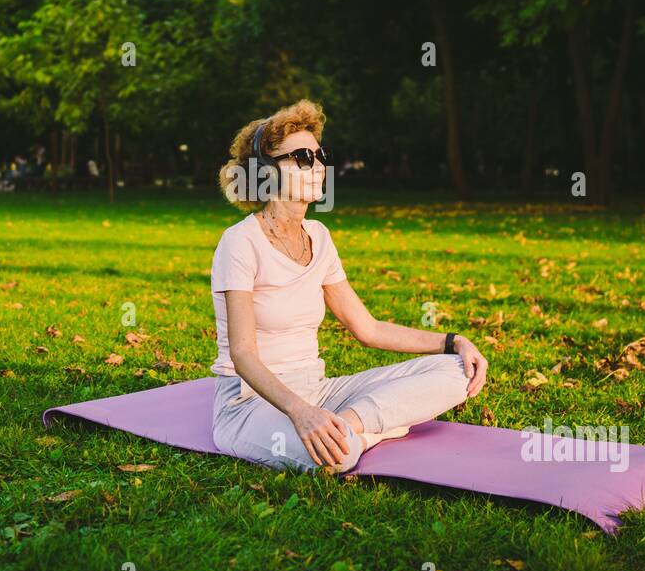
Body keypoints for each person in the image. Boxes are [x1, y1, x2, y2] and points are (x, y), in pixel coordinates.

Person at [209, 98, 489, 474]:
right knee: (337, 457)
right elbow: (243, 354)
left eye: (319, 155)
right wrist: (301, 413)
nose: (318, 166)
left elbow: (368, 329)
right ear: (264, 173)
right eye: (302, 159)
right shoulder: (240, 241)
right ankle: (372, 427)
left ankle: (353, 426)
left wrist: (452, 341)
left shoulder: (319, 236)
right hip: (251, 404)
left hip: (321, 392)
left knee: (457, 370)